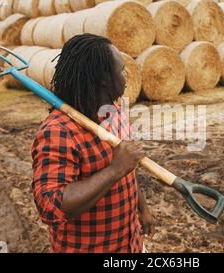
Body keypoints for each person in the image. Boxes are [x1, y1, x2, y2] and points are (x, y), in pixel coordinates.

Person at [31, 33, 154, 253]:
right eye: (121, 70)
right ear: (103, 78)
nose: (126, 76)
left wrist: (141, 208)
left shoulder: (115, 111)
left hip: (130, 244)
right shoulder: (58, 131)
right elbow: (51, 206)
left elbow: (128, 169)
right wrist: (115, 169)